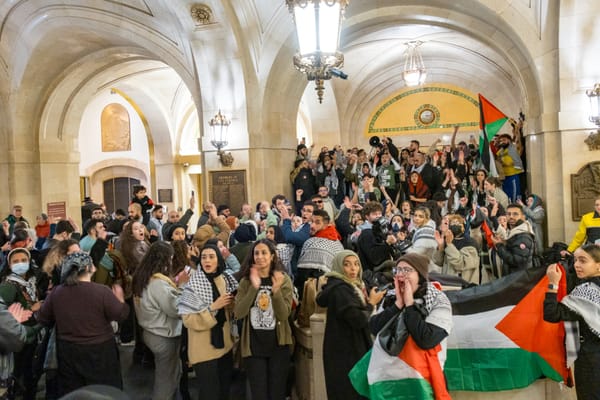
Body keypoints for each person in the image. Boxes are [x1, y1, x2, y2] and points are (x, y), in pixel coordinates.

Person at [37, 252, 129, 396]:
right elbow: (121, 315)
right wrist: (121, 301)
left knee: (74, 392)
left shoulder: (57, 292)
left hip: (68, 352)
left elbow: (43, 318)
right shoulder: (102, 292)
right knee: (103, 391)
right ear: (89, 268)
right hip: (100, 351)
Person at [369, 253, 453, 399]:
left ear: (419, 275)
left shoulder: (438, 300)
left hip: (422, 380)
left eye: (407, 270)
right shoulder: (390, 297)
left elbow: (426, 339)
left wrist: (409, 305)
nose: (401, 275)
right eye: (398, 270)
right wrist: (398, 305)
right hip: (390, 379)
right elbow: (374, 328)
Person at [316, 250, 385, 400]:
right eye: (347, 265)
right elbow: (359, 319)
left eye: (356, 264)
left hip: (346, 351)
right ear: (339, 267)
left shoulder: (349, 287)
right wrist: (372, 303)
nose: (353, 269)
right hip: (347, 354)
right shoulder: (341, 290)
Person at [234, 240, 293, 400]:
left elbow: (283, 314)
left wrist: (276, 291)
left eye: (264, 253)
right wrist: (254, 288)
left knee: (277, 394)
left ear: (272, 256)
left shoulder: (283, 279)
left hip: (278, 346)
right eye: (256, 253)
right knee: (259, 394)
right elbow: (238, 313)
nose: (260, 257)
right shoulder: (246, 281)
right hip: (254, 347)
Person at [178, 244, 238, 400]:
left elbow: (229, 312)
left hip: (225, 345)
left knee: (224, 390)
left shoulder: (224, 279)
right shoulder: (194, 285)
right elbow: (188, 320)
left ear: (218, 260)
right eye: (204, 257)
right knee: (209, 393)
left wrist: (231, 305)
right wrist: (213, 308)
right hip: (203, 350)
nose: (207, 260)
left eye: (212, 256)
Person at [132, 241, 188, 400]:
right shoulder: (157, 283)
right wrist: (182, 285)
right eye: (170, 259)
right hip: (163, 336)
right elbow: (176, 309)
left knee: (167, 374)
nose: (171, 262)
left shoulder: (142, 276)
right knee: (166, 380)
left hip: (150, 331)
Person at [544, 244, 600, 400]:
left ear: (598, 266)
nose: (576, 265)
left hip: (591, 360)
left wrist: (553, 283)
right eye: (575, 260)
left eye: (583, 260)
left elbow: (551, 314)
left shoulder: (586, 291)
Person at [0, 248, 42, 400]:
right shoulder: (8, 286)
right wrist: (32, 308)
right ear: (9, 265)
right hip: (18, 337)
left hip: (28, 335)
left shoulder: (29, 281)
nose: (20, 264)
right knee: (19, 373)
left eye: (23, 260)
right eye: (15, 261)